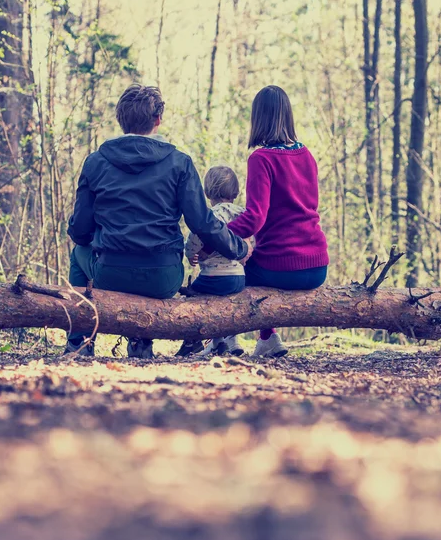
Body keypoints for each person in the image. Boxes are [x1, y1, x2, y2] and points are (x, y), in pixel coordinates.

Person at [66, 84, 251, 358]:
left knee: (78, 254)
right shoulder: (180, 163)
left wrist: (102, 239)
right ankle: (141, 340)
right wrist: (239, 248)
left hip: (110, 273)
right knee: (147, 266)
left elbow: (80, 231)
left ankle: (80, 342)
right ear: (158, 120)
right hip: (164, 276)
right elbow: (202, 223)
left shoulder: (96, 162)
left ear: (120, 119)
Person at [227, 85, 329, 357]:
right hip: (318, 266)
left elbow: (254, 219)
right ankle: (268, 338)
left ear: (258, 118)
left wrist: (216, 233)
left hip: (282, 266)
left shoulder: (262, 159)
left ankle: (223, 338)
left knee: (229, 273)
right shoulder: (306, 154)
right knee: (253, 260)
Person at [177, 166, 247, 357]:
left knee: (193, 296)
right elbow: (251, 238)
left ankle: (199, 342)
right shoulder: (242, 213)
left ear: (207, 192)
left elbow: (195, 238)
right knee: (227, 305)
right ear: (236, 191)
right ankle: (227, 341)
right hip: (239, 278)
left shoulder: (211, 215)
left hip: (214, 277)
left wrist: (190, 254)